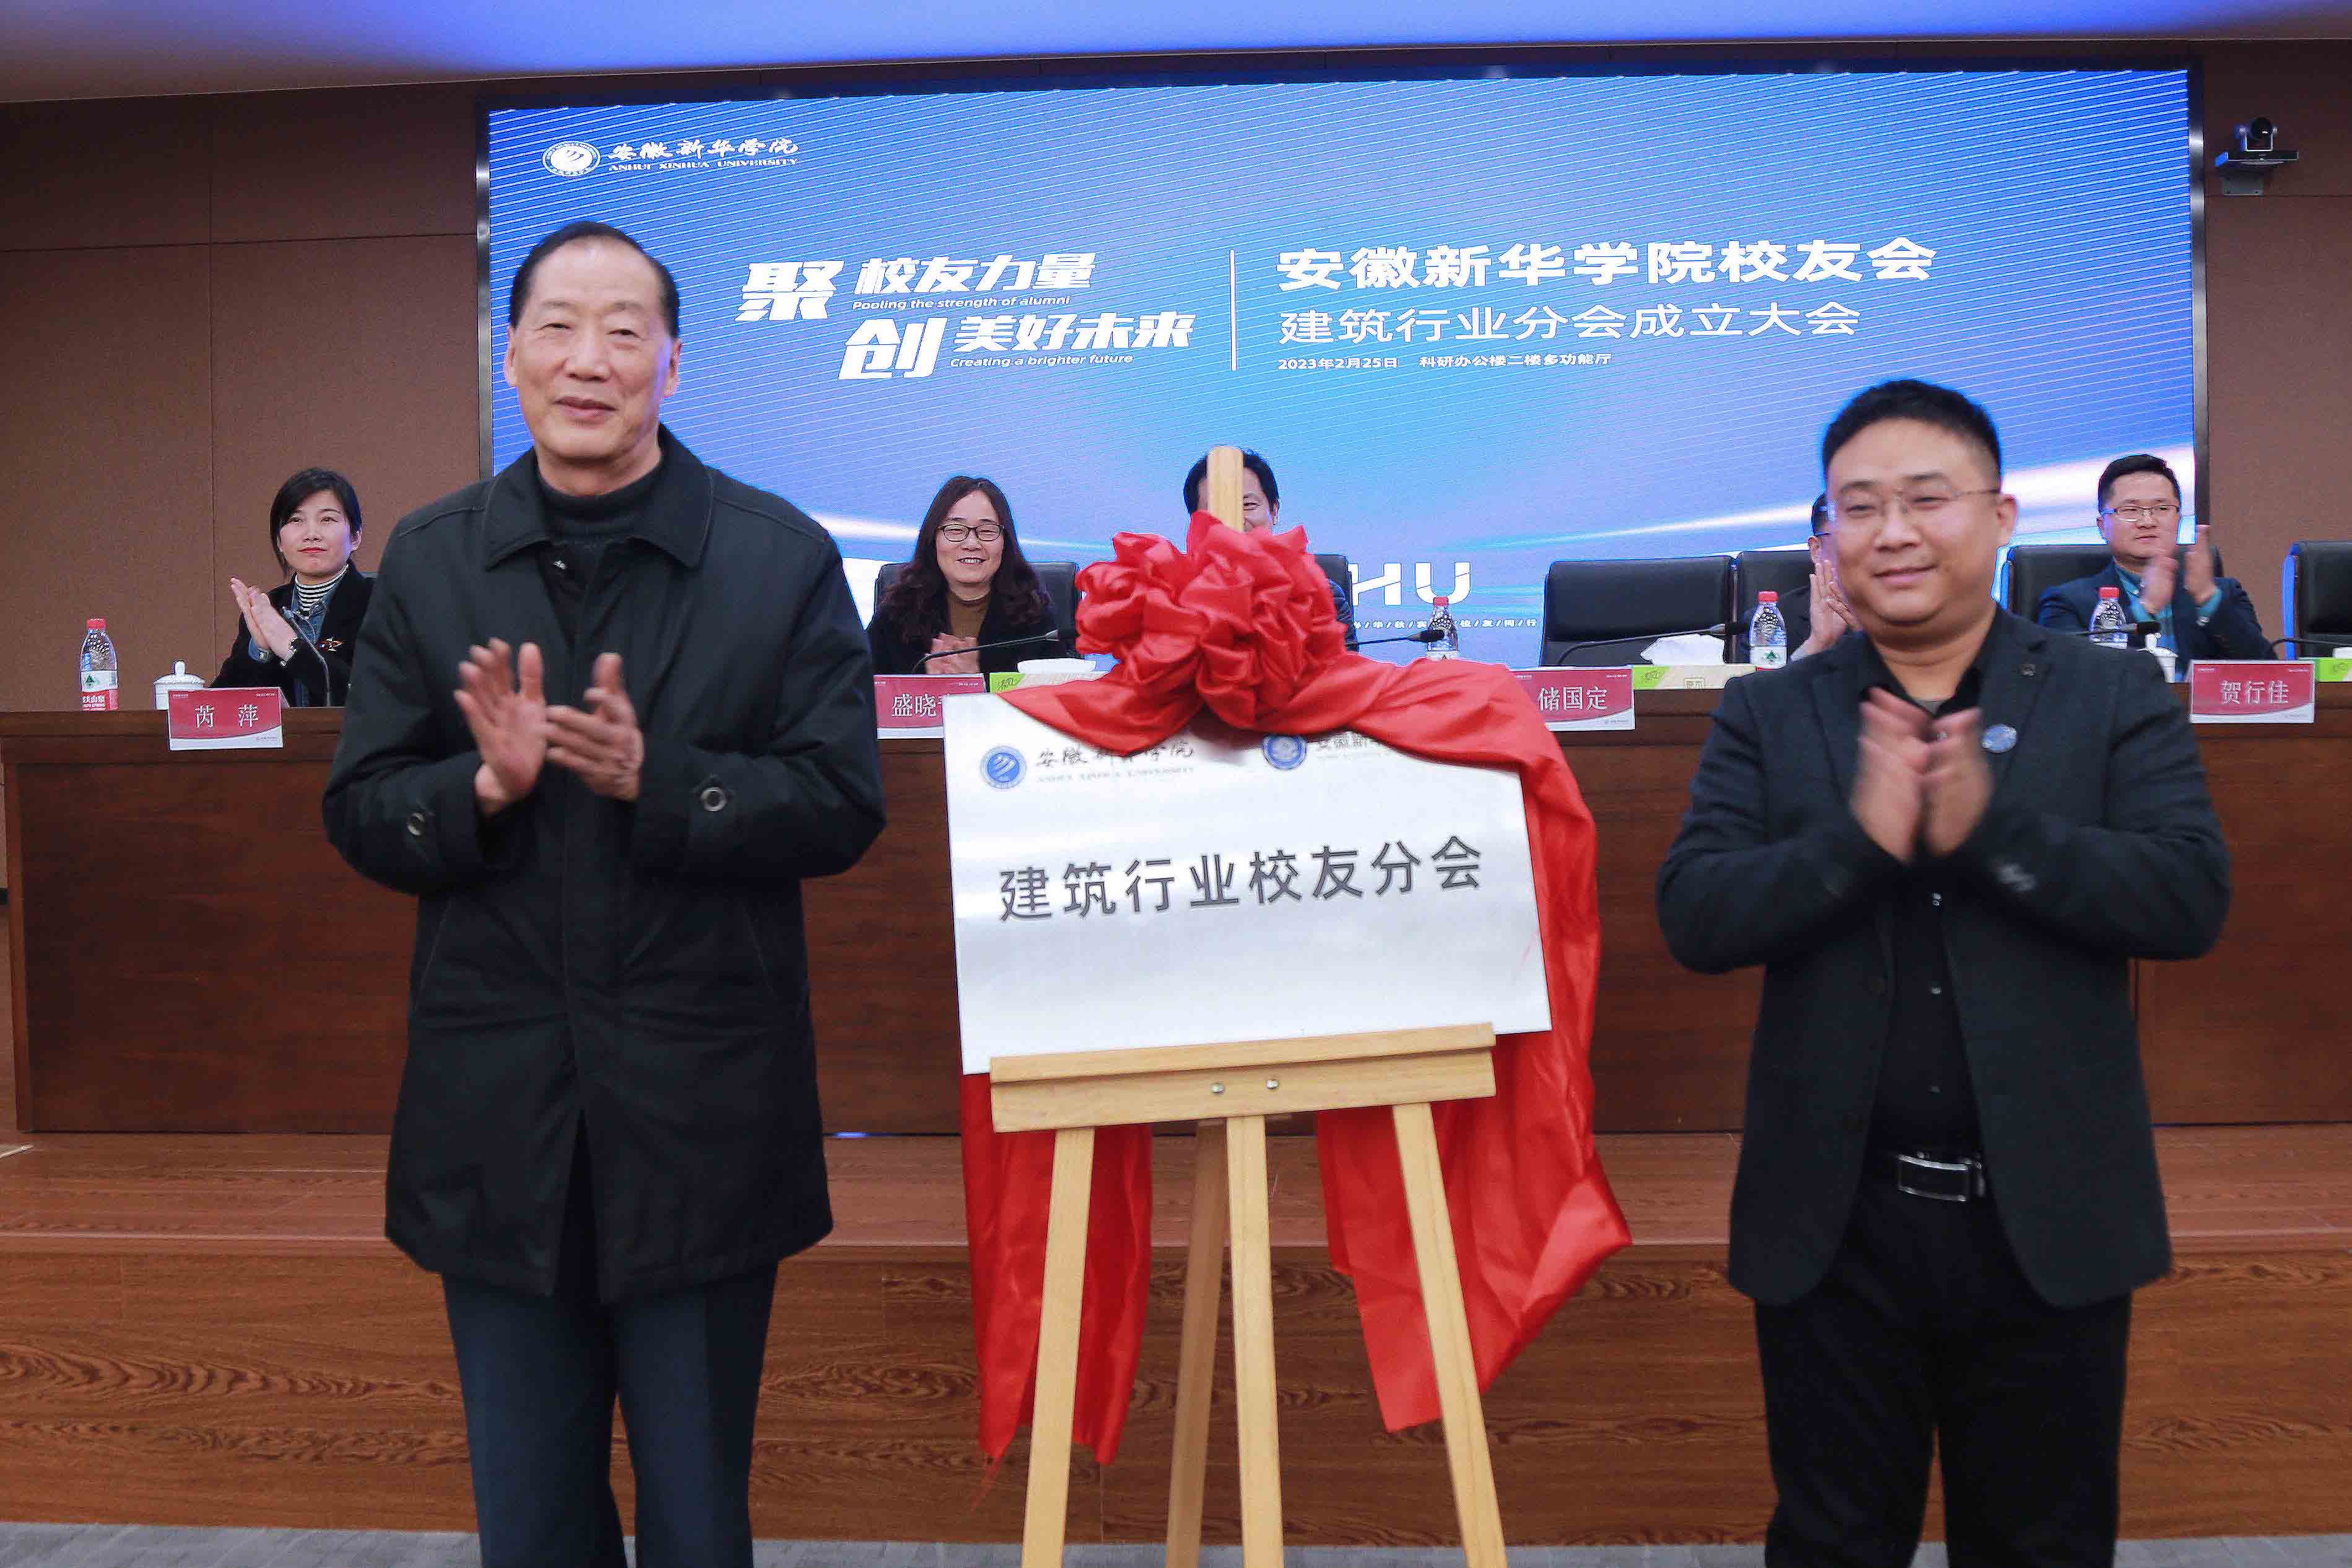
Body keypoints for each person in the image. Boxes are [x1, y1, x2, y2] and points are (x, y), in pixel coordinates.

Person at [321, 220, 885, 1568]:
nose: (590, 360)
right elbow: (361, 808)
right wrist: (481, 788)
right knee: (530, 1524)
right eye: (558, 328)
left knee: (699, 1519)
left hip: (702, 1118)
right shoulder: (435, 560)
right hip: (499, 1120)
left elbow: (841, 800)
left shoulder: (776, 556)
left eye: (625, 332)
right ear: (511, 356)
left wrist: (664, 779)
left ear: (672, 366)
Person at [1657, 379, 2229, 1568]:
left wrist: (1993, 833)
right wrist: (1855, 843)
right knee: (1827, 1541)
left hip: (2047, 1218)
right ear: (1827, 535)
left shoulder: (2110, 691)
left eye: (1925, 498)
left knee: (2041, 1545)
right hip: (1835, 1224)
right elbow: (1695, 915)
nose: (1892, 532)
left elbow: (2186, 898)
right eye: (1858, 506)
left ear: (2001, 516)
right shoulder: (1769, 712)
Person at [2036, 453, 2271, 660]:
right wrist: (2145, 609)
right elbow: (2063, 676)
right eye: (2130, 510)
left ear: (2179, 519)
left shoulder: (2226, 594)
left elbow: (2268, 674)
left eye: (2162, 509)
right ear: (2102, 526)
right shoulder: (2066, 602)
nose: (2147, 522)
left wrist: (2207, 599)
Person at [865, 475, 1068, 675]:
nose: (971, 544)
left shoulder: (1035, 618)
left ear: (1005, 542)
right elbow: (861, 689)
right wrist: (926, 684)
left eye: (987, 531)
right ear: (933, 539)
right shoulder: (897, 612)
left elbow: (1056, 693)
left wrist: (976, 684)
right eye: (955, 530)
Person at [213, 467, 375, 705]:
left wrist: (291, 647)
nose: (311, 534)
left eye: (327, 519)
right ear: (279, 541)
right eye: (296, 520)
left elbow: (381, 697)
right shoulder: (267, 610)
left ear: (356, 537)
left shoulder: (381, 603)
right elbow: (223, 706)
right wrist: (260, 652)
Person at [1182, 448, 1355, 642]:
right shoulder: (1176, 598)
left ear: (1274, 511)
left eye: (1248, 505)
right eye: (1218, 510)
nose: (1234, 522)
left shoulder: (1322, 597)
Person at [1740, 494, 1860, 663]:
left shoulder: (1898, 613)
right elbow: (1757, 679)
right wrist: (1816, 644)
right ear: (1816, 550)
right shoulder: (1771, 622)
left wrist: (1872, 639)